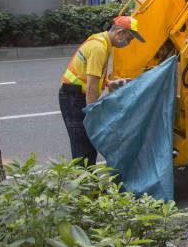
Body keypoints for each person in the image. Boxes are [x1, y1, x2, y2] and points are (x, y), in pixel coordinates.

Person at [59, 16, 144, 165]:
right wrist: (92, 114)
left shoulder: (103, 42)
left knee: (88, 145)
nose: (129, 43)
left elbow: (91, 77)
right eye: (129, 39)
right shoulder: (99, 48)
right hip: (73, 98)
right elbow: (91, 86)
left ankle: (87, 182)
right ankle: (84, 185)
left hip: (75, 95)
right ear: (120, 32)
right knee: (83, 146)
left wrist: (110, 83)